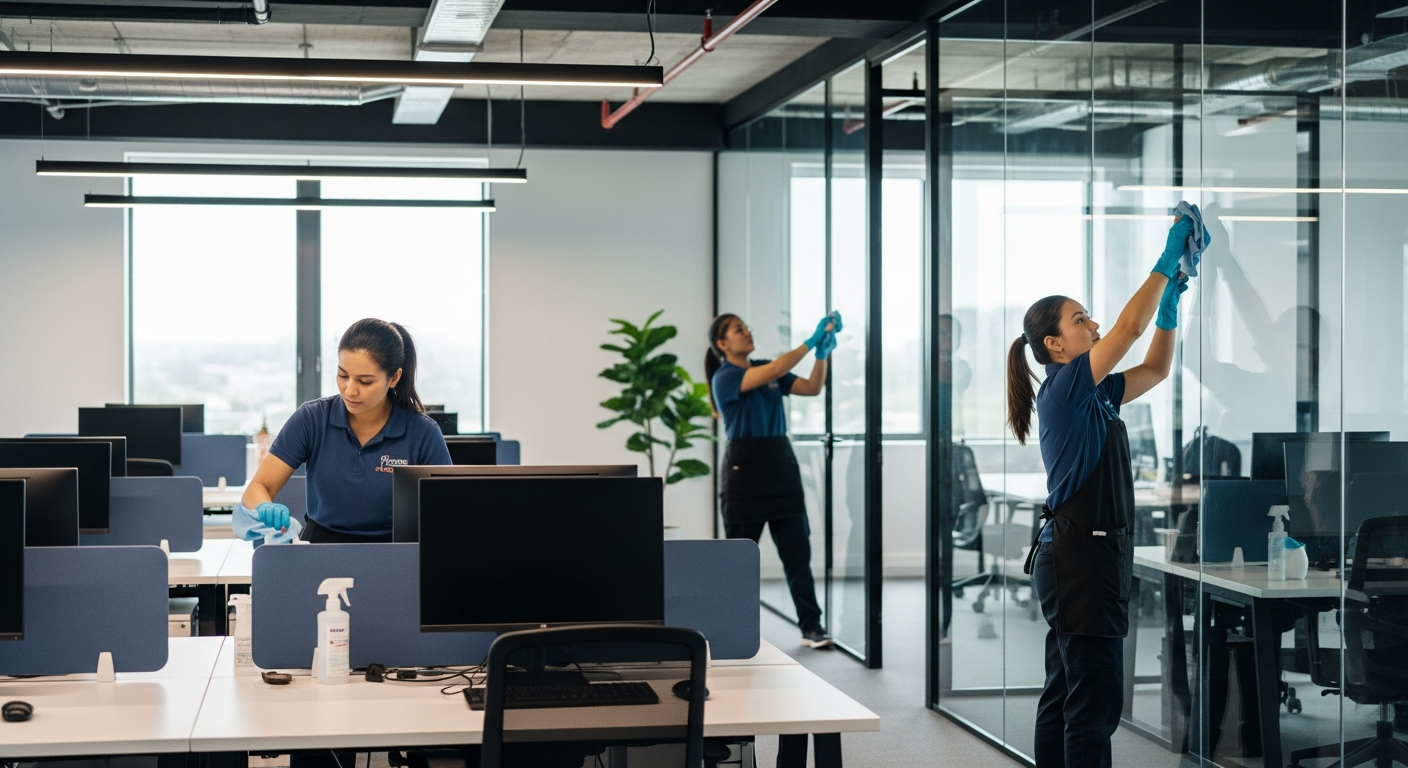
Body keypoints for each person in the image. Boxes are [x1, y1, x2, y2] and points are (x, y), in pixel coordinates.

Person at [1010, 218, 1192, 767]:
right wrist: (1164, 263)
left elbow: (1155, 368)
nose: (1092, 324)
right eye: (1080, 318)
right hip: (1080, 561)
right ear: (1054, 344)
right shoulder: (1065, 389)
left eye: (1089, 315)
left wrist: (1169, 312)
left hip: (1089, 556)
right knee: (1094, 702)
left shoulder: (1096, 395)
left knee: (1068, 691)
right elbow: (1127, 330)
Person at [235, 318, 452, 544]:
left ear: (394, 378)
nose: (350, 390)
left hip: (393, 555)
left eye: (365, 381)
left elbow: (446, 513)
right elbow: (257, 488)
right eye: (342, 375)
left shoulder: (422, 433)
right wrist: (264, 506)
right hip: (319, 550)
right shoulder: (311, 419)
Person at [707, 312, 839, 649]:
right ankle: (728, 630)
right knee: (737, 562)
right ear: (723, 344)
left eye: (747, 327)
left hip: (781, 468)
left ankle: (812, 627)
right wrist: (810, 341)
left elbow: (811, 388)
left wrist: (821, 355)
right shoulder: (726, 377)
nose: (747, 332)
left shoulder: (768, 369)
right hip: (744, 475)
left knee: (798, 556)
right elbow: (776, 370)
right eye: (739, 330)